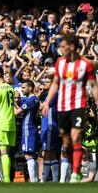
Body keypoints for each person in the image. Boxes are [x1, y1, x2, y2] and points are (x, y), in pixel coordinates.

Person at [42, 33, 98, 182]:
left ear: (72, 47)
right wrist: (47, 101)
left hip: (79, 105)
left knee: (76, 136)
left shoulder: (86, 64)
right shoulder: (60, 62)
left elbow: (93, 86)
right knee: (66, 143)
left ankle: (75, 172)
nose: (61, 49)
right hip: (62, 106)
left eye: (63, 47)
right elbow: (55, 83)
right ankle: (75, 167)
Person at [14, 80, 40, 182]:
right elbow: (21, 109)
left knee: (28, 155)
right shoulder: (33, 100)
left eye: (24, 87)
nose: (22, 89)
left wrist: (10, 103)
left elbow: (16, 113)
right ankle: (36, 180)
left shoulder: (31, 100)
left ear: (29, 88)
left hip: (28, 129)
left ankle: (33, 181)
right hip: (31, 128)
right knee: (32, 156)